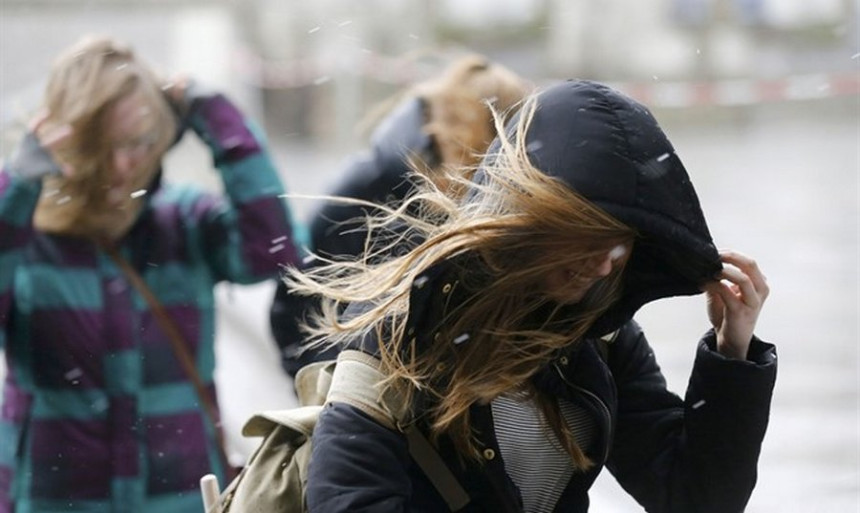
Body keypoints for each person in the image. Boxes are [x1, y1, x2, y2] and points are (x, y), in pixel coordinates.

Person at [286, 80, 777, 512]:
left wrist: (731, 354)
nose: (606, 261)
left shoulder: (603, 336)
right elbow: (349, 499)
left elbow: (693, 497)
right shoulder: (400, 331)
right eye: (590, 235)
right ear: (532, 219)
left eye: (625, 240)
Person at [0, 36, 300, 511]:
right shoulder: (25, 238)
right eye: (105, 146)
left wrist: (219, 120)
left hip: (181, 496)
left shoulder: (183, 223)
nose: (123, 166)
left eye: (139, 144)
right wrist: (12, 190)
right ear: (70, 141)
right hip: (56, 499)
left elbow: (273, 250)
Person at [270, 54, 530, 376]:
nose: (439, 129)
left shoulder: (502, 208)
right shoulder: (370, 188)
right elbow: (298, 303)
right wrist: (342, 389)